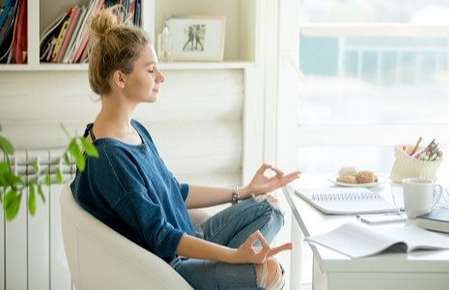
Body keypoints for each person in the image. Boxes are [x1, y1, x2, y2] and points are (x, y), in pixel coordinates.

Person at [70, 6, 300, 290]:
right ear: (120, 79)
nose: (161, 77)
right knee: (269, 272)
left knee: (270, 208)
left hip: (190, 234)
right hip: (170, 266)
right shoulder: (109, 158)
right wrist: (233, 255)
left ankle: (234, 268)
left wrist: (244, 191)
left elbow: (175, 192)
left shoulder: (134, 130)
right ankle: (237, 268)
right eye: (151, 69)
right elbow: (160, 236)